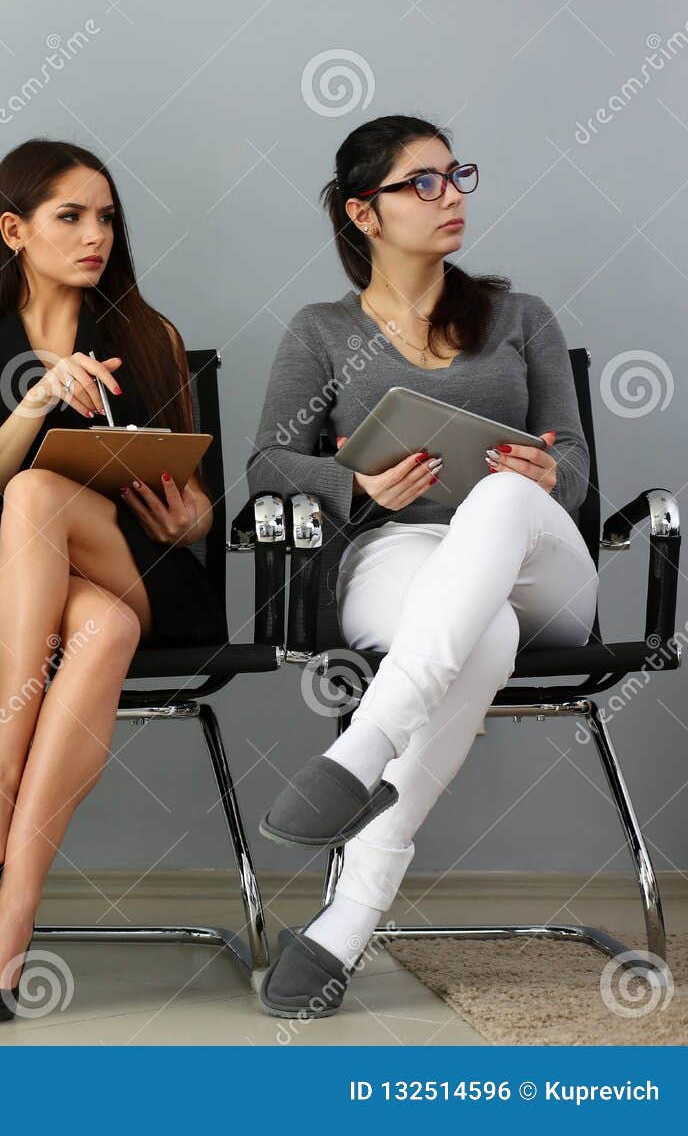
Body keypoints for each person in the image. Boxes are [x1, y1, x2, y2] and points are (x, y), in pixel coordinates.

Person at [247, 115, 595, 1019]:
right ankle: (344, 925)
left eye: (457, 175)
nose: (454, 196)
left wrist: (551, 474)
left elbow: (581, 475)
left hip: (538, 557)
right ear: (365, 212)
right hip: (400, 555)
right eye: (424, 182)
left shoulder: (522, 317)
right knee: (488, 633)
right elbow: (267, 465)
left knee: (502, 500)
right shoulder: (322, 331)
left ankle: (363, 745)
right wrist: (357, 481)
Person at [0, 138, 225, 1020]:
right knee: (88, 611)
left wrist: (191, 517)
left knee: (41, 495)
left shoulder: (149, 334)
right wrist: (35, 399)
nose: (95, 234)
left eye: (105, 217)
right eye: (70, 216)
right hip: (34, 591)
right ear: (15, 229)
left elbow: (200, 503)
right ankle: (11, 920)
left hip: (149, 568)